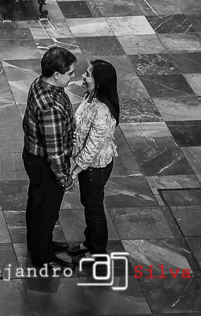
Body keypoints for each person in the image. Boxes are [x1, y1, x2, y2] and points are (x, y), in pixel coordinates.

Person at [22, 45, 77, 273]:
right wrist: (64, 178)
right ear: (56, 74)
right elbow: (54, 151)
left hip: (33, 157)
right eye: (69, 73)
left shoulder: (40, 83)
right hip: (46, 165)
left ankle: (38, 243)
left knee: (37, 204)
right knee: (46, 212)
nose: (73, 77)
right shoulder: (51, 107)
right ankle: (43, 257)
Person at [66, 59, 120, 263]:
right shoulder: (90, 97)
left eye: (88, 74)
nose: (83, 76)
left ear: (99, 82)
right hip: (87, 166)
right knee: (89, 204)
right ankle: (90, 242)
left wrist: (74, 171)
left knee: (94, 207)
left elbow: (92, 147)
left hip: (95, 167)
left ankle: (97, 250)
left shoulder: (103, 111)